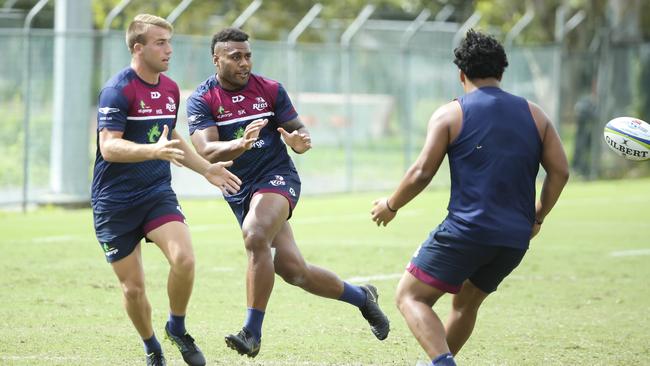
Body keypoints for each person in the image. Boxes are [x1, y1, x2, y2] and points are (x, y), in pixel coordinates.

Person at [186, 27, 390, 358]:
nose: (244, 62)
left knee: (255, 235)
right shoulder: (203, 99)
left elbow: (299, 134)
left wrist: (299, 142)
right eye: (235, 56)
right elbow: (206, 151)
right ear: (216, 59)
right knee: (295, 271)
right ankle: (363, 297)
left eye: (248, 55)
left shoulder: (269, 89)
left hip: (277, 177)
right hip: (240, 190)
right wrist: (240, 144)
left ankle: (251, 332)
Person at [371, 30, 569, 366]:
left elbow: (422, 172)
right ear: (502, 72)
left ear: (461, 74)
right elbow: (560, 172)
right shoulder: (536, 115)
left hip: (467, 231)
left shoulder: (451, 113)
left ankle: (443, 362)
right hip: (514, 239)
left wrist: (390, 205)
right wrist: (537, 217)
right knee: (465, 304)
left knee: (410, 296)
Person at [91, 14, 241, 366]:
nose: (169, 49)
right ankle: (152, 347)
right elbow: (109, 147)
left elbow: (170, 135)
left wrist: (206, 169)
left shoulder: (171, 88)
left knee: (185, 259)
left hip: (155, 192)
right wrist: (151, 151)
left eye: (169, 42)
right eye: (160, 43)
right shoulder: (118, 89)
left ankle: (176, 326)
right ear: (138, 48)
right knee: (133, 288)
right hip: (114, 202)